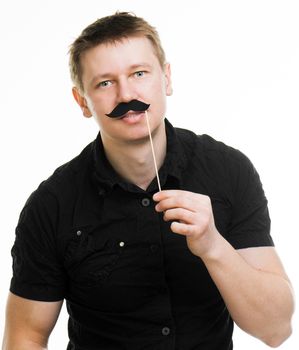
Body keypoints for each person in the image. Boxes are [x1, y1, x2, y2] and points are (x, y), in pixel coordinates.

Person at [2, 12, 294, 350]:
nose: (127, 95)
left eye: (139, 73)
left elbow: (276, 330)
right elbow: (25, 337)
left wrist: (214, 247)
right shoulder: (50, 206)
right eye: (105, 83)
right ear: (82, 101)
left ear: (166, 78)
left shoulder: (229, 170)